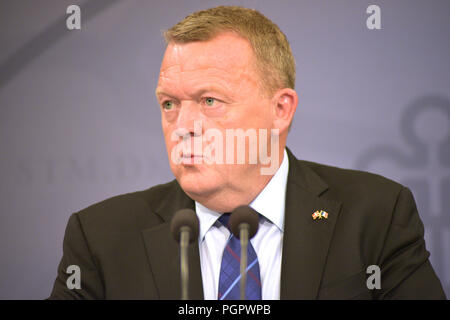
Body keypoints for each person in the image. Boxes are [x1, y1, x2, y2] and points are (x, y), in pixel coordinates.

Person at [49, 6, 446, 299]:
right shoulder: (101, 237)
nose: (183, 125)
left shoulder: (376, 214)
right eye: (169, 103)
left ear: (280, 109)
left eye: (209, 100)